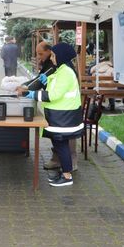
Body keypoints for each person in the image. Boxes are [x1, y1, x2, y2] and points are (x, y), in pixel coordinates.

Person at [24, 43, 83, 187]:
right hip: (59, 116)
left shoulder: (66, 72)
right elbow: (55, 85)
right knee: (59, 145)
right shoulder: (61, 69)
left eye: (54, 55)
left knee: (62, 145)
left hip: (64, 117)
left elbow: (53, 95)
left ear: (61, 56)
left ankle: (67, 176)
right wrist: (47, 80)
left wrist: (31, 94)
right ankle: (65, 172)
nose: (52, 57)